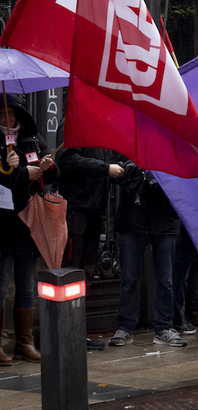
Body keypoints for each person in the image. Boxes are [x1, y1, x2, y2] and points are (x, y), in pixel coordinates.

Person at [0, 97, 58, 364]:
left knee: (26, 284)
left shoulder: (31, 140)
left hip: (26, 224)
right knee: (0, 285)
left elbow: (54, 175)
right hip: (2, 224)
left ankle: (25, 342)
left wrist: (47, 168)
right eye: (2, 113)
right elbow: (9, 178)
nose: (7, 118)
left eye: (11, 113)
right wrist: (22, 172)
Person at [107, 161, 186, 348]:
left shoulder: (171, 150)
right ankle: (126, 326)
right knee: (129, 277)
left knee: (165, 278)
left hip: (165, 219)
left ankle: (164, 327)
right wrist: (135, 172)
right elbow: (117, 176)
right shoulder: (129, 147)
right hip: (133, 218)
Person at [57, 147, 124, 351]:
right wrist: (105, 168)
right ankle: (65, 333)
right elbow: (67, 160)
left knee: (85, 272)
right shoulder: (74, 123)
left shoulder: (98, 131)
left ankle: (77, 331)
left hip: (93, 209)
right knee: (71, 271)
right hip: (77, 209)